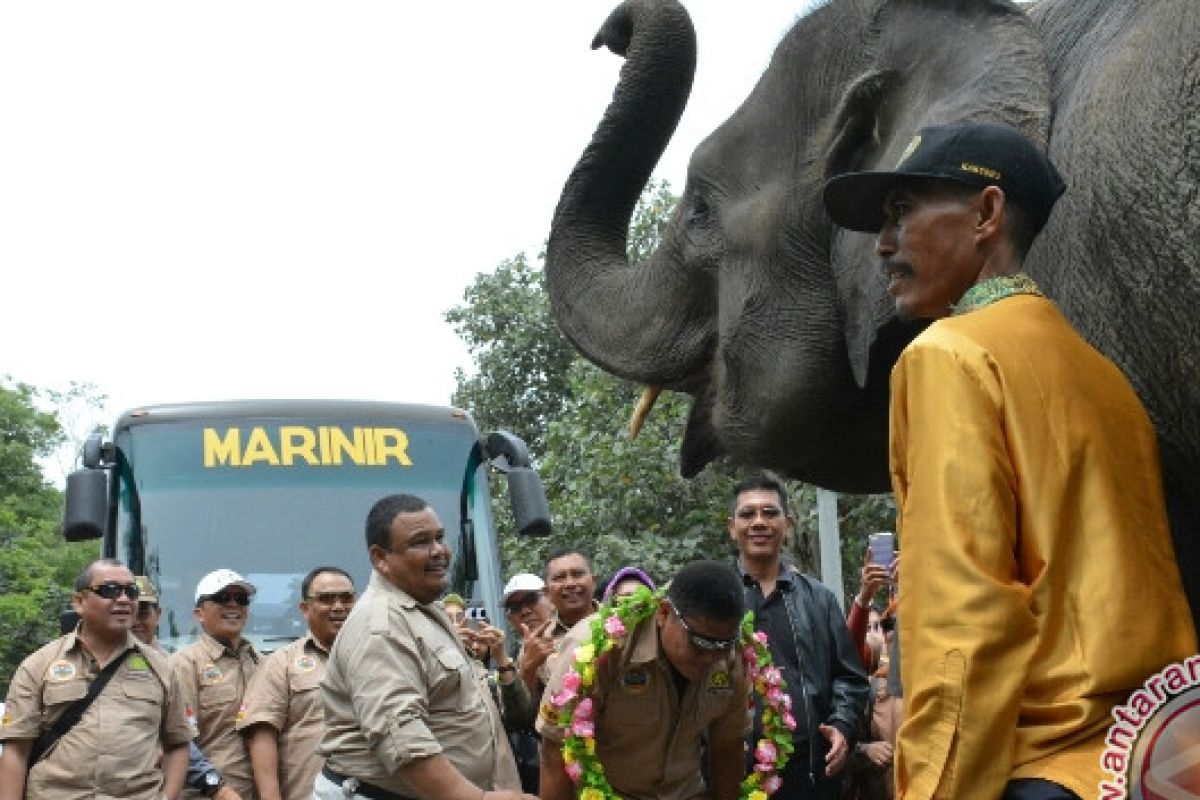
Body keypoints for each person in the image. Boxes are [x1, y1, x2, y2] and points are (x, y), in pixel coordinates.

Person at [822, 122, 1198, 799]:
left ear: (986, 215)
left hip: (1041, 772)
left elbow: (963, 621)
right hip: (1154, 764)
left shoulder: (948, 356)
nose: (882, 246)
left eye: (902, 212)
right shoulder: (1103, 377)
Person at [316, 493, 534, 800]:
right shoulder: (382, 623)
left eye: (440, 538)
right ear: (381, 558)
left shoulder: (425, 610)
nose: (440, 551)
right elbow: (400, 734)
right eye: (421, 542)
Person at [537, 560, 751, 800]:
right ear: (664, 613)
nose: (711, 659)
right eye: (699, 645)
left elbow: (728, 748)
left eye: (722, 647)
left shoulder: (733, 657)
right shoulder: (593, 648)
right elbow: (555, 752)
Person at [0, 558, 192, 800]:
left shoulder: (163, 668)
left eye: (130, 592)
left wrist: (167, 797)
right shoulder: (38, 665)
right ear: (79, 602)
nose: (123, 599)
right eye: (109, 590)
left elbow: (178, 743)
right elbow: (16, 752)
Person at [729, 474, 869, 800]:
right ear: (731, 527)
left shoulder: (819, 599)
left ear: (788, 525)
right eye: (748, 514)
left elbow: (850, 677)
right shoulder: (718, 599)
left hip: (812, 771)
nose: (759, 522)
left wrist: (843, 726)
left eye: (770, 513)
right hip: (735, 771)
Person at [235, 567, 354, 800]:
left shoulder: (379, 658)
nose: (339, 607)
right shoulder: (282, 662)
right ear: (305, 608)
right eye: (326, 599)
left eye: (346, 598)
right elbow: (261, 737)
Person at [133, 576, 242, 800]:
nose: (135, 620)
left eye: (143, 612)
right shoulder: (83, 661)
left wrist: (215, 786)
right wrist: (217, 787)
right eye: (129, 611)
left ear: (158, 615)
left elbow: (178, 735)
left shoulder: (167, 664)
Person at [172, 569, 262, 800]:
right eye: (222, 598)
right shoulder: (182, 665)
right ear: (199, 613)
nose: (233, 605)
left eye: (241, 599)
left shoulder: (264, 663)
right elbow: (176, 737)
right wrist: (217, 788)